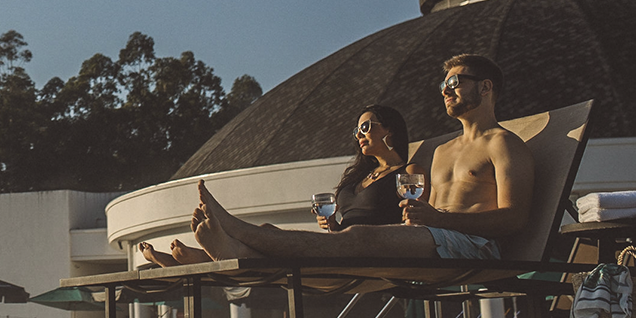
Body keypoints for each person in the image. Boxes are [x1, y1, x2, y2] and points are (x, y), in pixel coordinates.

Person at [190, 53, 534, 262]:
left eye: (455, 82)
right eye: (443, 85)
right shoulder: (441, 150)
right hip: (432, 240)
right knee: (340, 248)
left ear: (485, 87)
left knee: (360, 239)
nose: (445, 90)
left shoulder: (503, 145)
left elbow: (513, 220)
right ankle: (243, 251)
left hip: (474, 249)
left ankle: (238, 231)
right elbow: (421, 214)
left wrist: (440, 222)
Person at [138, 104, 421, 267]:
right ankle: (210, 255)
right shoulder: (360, 177)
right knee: (269, 234)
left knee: (268, 237)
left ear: (390, 129)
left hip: (367, 250)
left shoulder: (405, 172)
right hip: (341, 243)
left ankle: (224, 236)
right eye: (356, 130)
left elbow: (415, 218)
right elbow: (345, 224)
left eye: (367, 127)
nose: (359, 134)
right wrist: (334, 226)